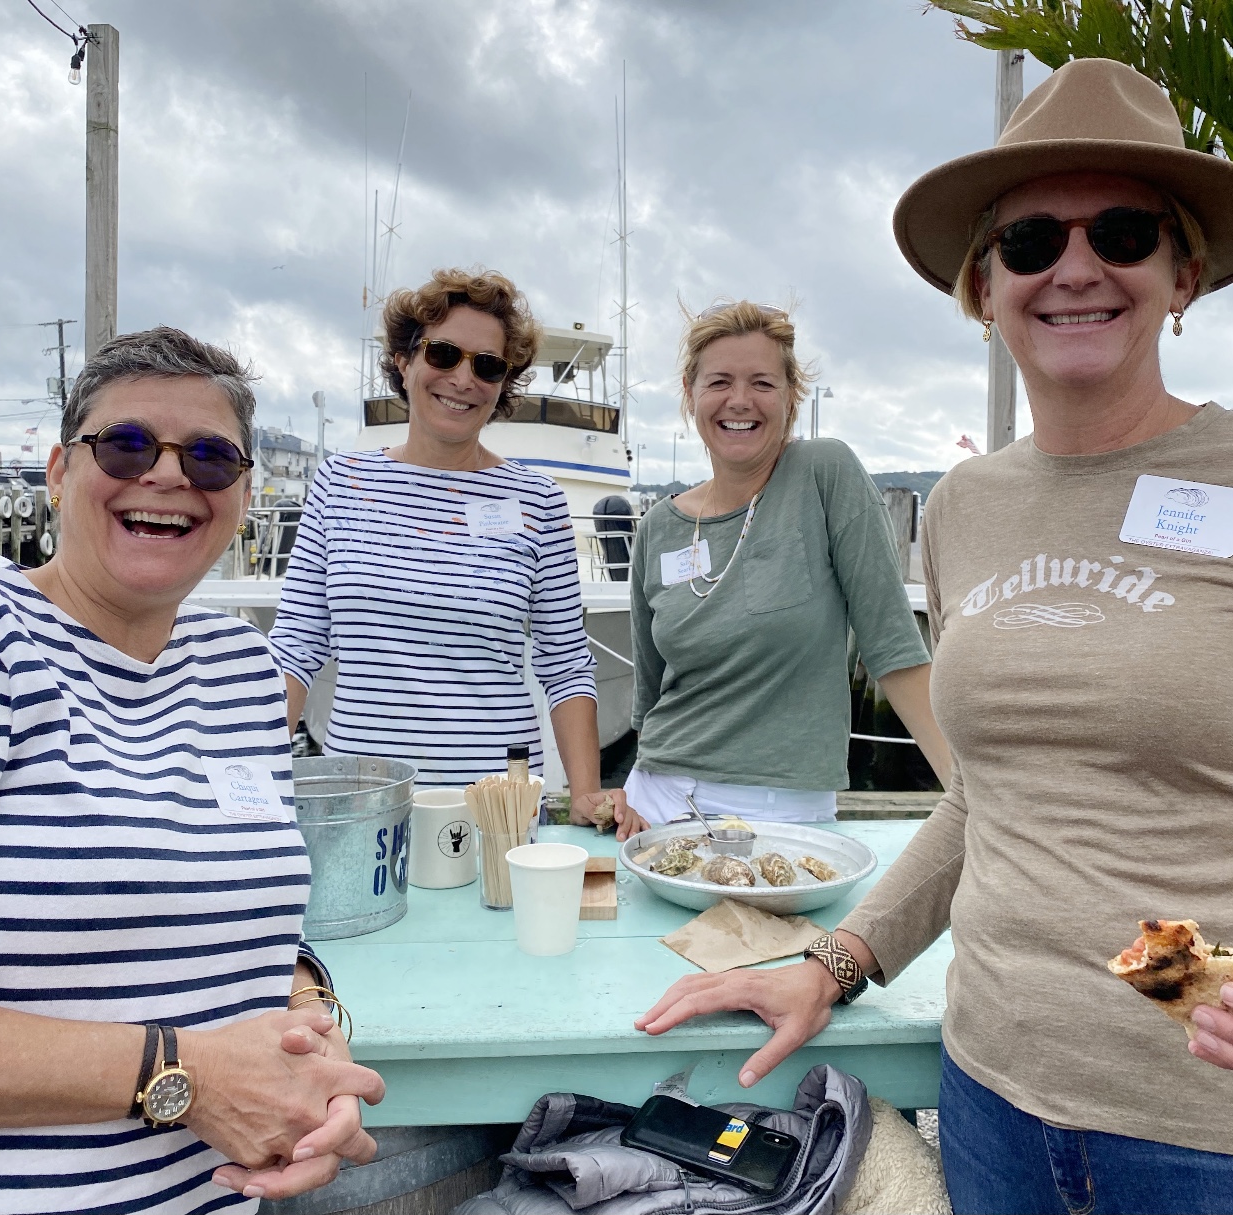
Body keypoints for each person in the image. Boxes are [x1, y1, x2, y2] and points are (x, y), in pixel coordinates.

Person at [636, 59, 1233, 1214]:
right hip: (995, 1093)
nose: (1073, 268)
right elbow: (983, 800)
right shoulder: (968, 507)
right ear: (982, 284)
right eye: (1027, 243)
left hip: (1202, 1130)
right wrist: (836, 964)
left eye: (1119, 230)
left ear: (1182, 270)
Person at [0, 327, 385, 1213]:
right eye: (127, 444)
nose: (167, 475)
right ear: (58, 471)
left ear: (241, 493)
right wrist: (186, 1075)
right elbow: (194, 1062)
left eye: (210, 458)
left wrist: (308, 1017)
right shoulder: (2, 644)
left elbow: (248, 918)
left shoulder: (244, 670)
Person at [270, 268, 643, 839]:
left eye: (487, 365)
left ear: (503, 384)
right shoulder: (338, 482)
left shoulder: (538, 500)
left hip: (499, 810)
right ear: (404, 360)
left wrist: (587, 792)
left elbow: (566, 663)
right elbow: (296, 645)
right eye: (443, 354)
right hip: (365, 801)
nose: (463, 378)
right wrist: (252, 774)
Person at [626, 301, 950, 825]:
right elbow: (648, 694)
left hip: (783, 808)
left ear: (791, 397)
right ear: (690, 395)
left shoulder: (824, 474)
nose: (739, 400)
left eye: (762, 382)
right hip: (656, 797)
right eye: (718, 382)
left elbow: (893, 647)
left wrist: (973, 803)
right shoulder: (657, 530)